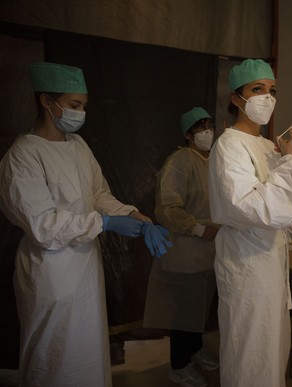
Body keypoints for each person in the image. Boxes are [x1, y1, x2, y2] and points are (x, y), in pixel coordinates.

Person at [0, 62, 171, 387]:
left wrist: (133, 215)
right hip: (49, 273)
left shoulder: (78, 147)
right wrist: (104, 222)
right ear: (46, 102)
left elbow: (97, 194)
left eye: (83, 106)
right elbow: (43, 225)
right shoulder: (24, 156)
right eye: (74, 105)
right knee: (53, 357)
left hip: (85, 271)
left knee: (86, 355)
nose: (80, 112)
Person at [208, 59, 292, 387]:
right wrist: (291, 161)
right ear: (237, 98)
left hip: (270, 266)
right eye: (257, 90)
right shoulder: (229, 146)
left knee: (270, 355)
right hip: (247, 267)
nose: (267, 97)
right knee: (248, 358)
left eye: (272, 90)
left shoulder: (269, 146)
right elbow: (257, 208)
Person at [143, 107, 220, 387]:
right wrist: (199, 228)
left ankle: (195, 350)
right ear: (188, 134)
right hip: (185, 251)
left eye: (210, 125)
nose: (207, 132)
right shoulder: (180, 161)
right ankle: (178, 365)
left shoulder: (211, 161)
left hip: (207, 252)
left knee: (198, 308)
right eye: (201, 127)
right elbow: (166, 208)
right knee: (183, 313)